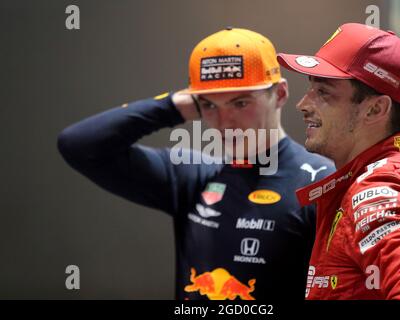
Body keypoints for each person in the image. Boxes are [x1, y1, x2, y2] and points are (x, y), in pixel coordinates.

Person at [57, 27, 333, 300]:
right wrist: (173, 107)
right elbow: (79, 145)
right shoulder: (192, 175)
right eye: (210, 106)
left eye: (240, 103)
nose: (225, 122)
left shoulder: (320, 180)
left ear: (281, 94)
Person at [277, 22, 400, 299]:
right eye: (311, 89)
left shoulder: (377, 191)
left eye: (323, 92)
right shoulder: (382, 177)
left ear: (375, 109)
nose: (303, 104)